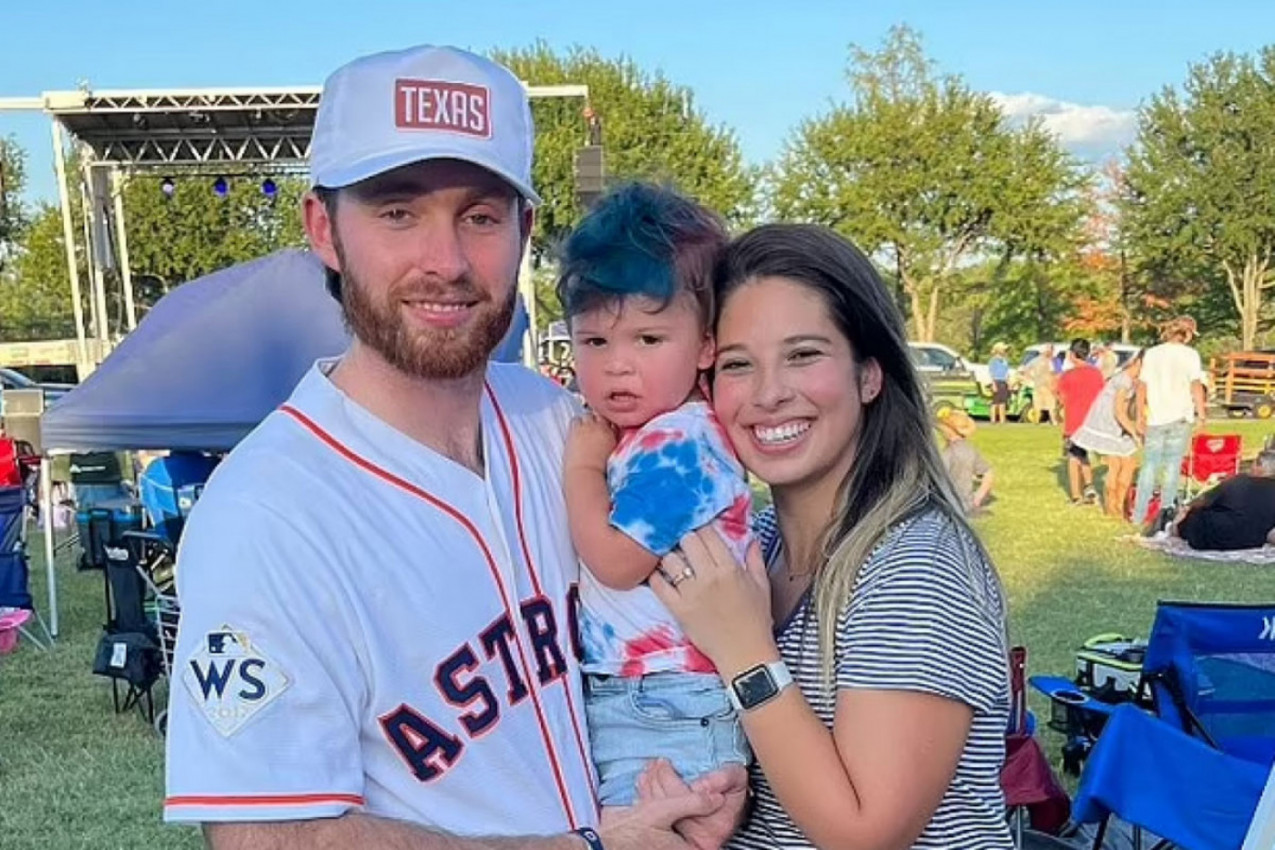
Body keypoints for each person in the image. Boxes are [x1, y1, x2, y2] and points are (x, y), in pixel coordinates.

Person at [163, 45, 742, 850]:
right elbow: (269, 835)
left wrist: (707, 761)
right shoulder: (265, 514)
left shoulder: (565, 422)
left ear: (524, 230)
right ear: (323, 229)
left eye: (479, 215)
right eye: (397, 211)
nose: (447, 262)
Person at [651, 224, 1013, 848]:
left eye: (803, 354)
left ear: (869, 375)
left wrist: (745, 651)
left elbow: (867, 833)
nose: (768, 394)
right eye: (738, 364)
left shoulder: (916, 560)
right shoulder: (751, 544)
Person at [557, 183, 752, 806]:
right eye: (594, 342)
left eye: (647, 340)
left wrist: (582, 470)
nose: (617, 365)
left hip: (669, 704)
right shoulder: (649, 434)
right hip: (647, 697)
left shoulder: (685, 444)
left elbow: (617, 563)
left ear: (705, 346)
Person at [1132, 316, 1208, 529]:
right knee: (1172, 466)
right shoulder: (1190, 355)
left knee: (1149, 465)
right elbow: (1195, 385)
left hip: (1156, 415)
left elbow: (1142, 386)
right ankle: (1166, 512)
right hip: (1180, 415)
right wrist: (1201, 413)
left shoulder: (1153, 354)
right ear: (1188, 333)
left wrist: (1140, 414)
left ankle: (1139, 514)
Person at [1071, 352, 1144, 518]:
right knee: (1116, 465)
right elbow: (1118, 411)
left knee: (1129, 463)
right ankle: (1112, 507)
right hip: (1105, 425)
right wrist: (1134, 433)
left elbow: (1128, 409)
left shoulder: (1135, 381)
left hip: (1118, 426)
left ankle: (1120, 504)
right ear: (1138, 362)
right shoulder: (1123, 380)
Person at [1172, 449, 1275, 550]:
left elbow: (1203, 501)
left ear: (1260, 466)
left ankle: (1172, 527)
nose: (1250, 468)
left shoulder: (1239, 481)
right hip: (1250, 541)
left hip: (1211, 537)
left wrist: (1187, 508)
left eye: (1253, 464)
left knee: (1190, 515)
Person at [1056, 339, 1106, 505]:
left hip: (1074, 423)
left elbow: (1061, 398)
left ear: (1071, 354)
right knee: (1083, 455)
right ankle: (1090, 487)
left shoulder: (1068, 376)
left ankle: (1076, 495)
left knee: (1073, 458)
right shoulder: (1096, 373)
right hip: (1091, 423)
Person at [936, 408, 994, 514]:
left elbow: (938, 479)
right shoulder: (970, 450)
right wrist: (978, 498)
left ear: (949, 431)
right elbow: (988, 474)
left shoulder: (949, 453)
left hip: (949, 506)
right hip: (967, 505)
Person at [1025, 345, 1057, 424]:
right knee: (1051, 405)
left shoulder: (1034, 361)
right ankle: (1053, 421)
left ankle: (1036, 421)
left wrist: (1032, 378)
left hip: (1037, 385)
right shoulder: (1049, 361)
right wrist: (1053, 385)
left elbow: (1026, 370)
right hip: (1047, 385)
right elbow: (1052, 374)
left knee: (1037, 405)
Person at [988, 342, 1011, 424]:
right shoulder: (993, 360)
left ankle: (1002, 419)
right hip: (996, 381)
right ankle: (993, 419)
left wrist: (1009, 382)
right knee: (995, 402)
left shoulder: (1005, 361)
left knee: (1003, 402)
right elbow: (992, 373)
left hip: (1003, 382)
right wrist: (993, 384)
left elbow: (1007, 372)